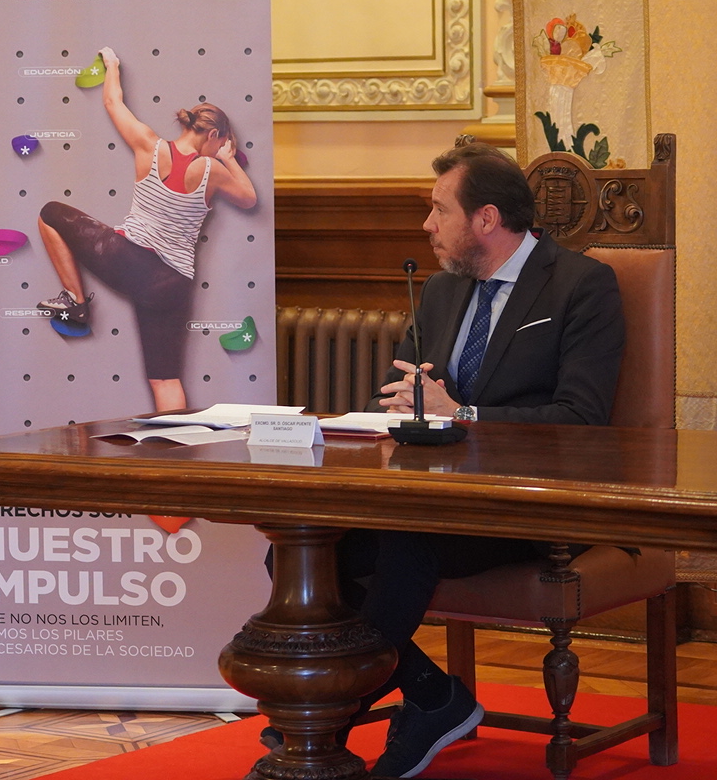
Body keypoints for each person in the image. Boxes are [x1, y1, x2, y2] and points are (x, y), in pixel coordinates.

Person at [301, 139, 624, 778]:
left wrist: (464, 415)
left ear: (486, 219)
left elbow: (583, 421)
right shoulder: (443, 290)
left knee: (405, 543)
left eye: (439, 209)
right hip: (432, 494)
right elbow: (395, 393)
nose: (427, 225)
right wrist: (384, 413)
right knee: (306, 545)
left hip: (531, 501)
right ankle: (431, 697)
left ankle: (325, 717)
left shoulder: (582, 286)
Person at [35, 47, 257, 412]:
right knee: (165, 379)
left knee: (49, 213)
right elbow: (248, 198)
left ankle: (76, 302)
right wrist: (228, 160)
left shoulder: (149, 146)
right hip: (173, 283)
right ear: (214, 134)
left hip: (129, 262)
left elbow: (112, 102)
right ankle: (176, 446)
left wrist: (112, 64)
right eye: (221, 142)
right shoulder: (212, 171)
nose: (220, 148)